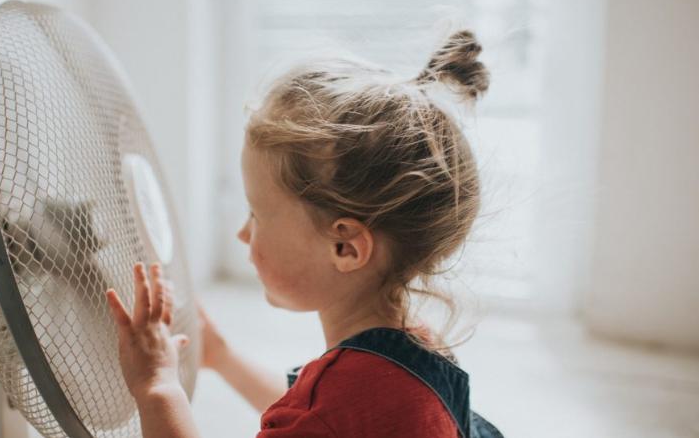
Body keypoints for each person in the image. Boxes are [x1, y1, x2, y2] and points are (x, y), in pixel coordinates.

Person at [106, 29, 504, 438]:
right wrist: (223, 358)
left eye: (257, 215)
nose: (243, 234)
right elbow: (314, 416)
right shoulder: (413, 351)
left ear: (345, 247)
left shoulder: (338, 403)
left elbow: (319, 418)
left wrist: (158, 388)